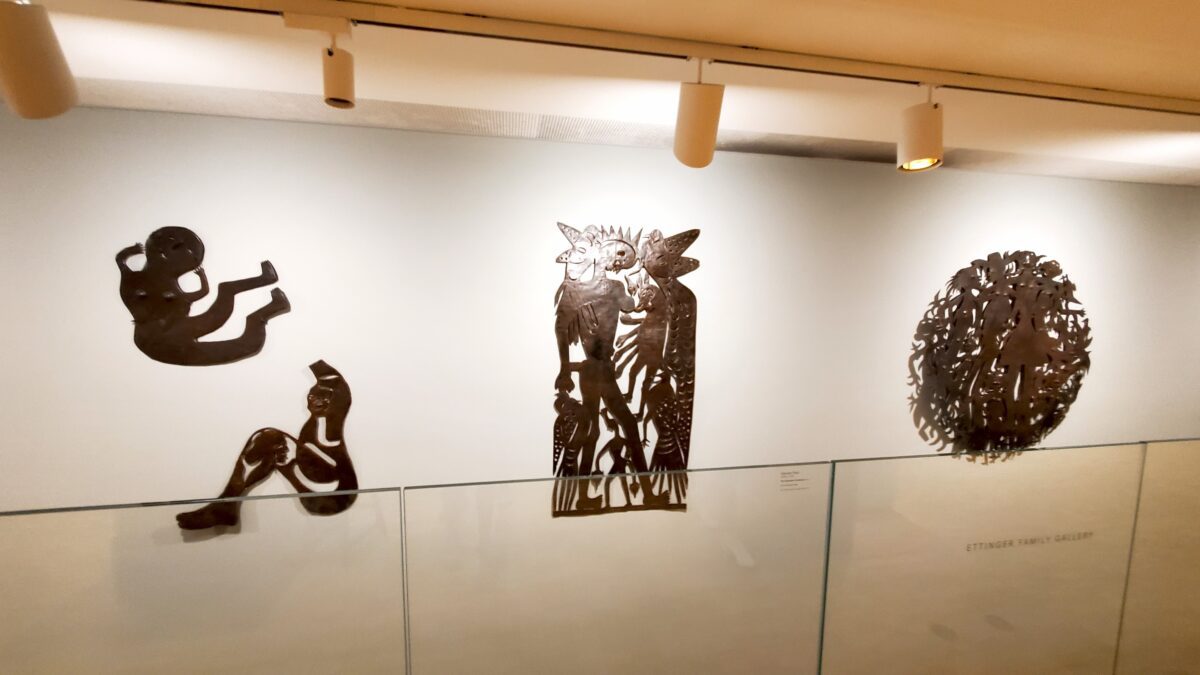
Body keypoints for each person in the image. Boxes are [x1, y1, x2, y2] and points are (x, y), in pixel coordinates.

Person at [176, 360, 357, 530]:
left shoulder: (330, 425)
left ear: (336, 402)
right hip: (317, 488)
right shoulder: (313, 425)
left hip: (334, 494)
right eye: (312, 396)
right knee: (269, 443)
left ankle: (226, 504)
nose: (315, 401)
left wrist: (297, 453)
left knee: (271, 437)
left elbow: (336, 465)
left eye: (324, 398)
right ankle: (227, 505)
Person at [116, 226, 290, 366]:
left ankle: (266, 280)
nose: (192, 261)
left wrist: (128, 254)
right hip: (161, 339)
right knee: (245, 342)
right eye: (185, 252)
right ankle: (262, 314)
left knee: (227, 289)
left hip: (174, 329)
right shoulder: (136, 281)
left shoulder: (162, 286)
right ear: (163, 254)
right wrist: (129, 252)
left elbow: (200, 294)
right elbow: (122, 265)